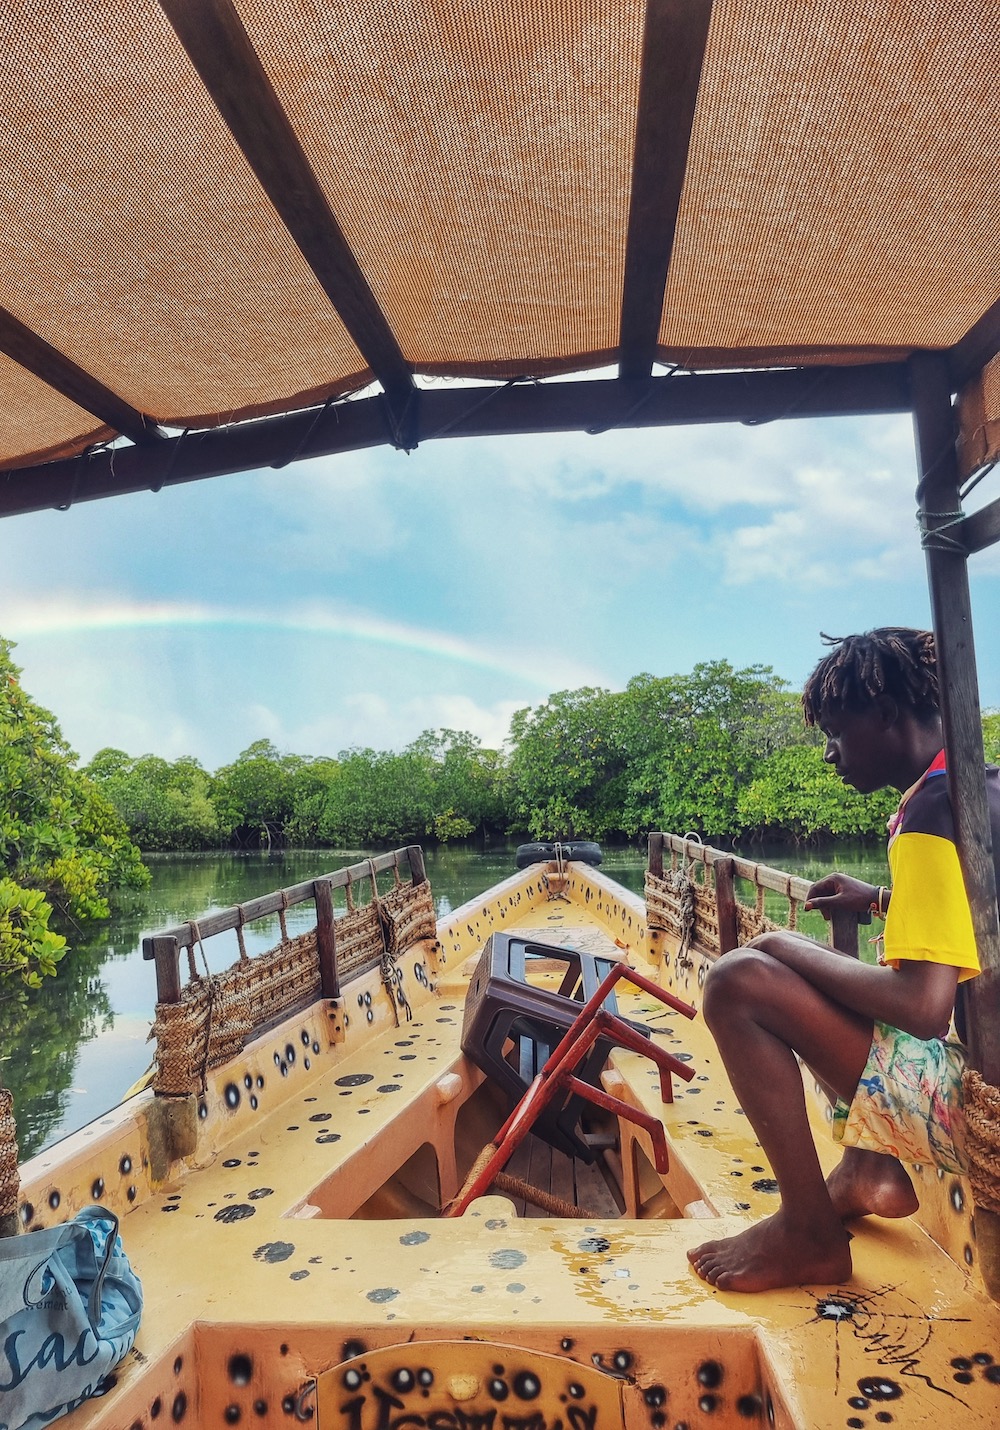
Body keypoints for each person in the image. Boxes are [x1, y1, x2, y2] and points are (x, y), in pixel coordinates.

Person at [687, 627, 1000, 1293]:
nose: (830, 754)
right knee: (821, 974)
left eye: (835, 731)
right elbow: (976, 915)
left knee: (738, 982)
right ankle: (869, 1171)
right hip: (988, 1077)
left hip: (987, 1117)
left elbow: (922, 1008)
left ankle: (807, 1234)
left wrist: (776, 945)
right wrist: (881, 900)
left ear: (884, 715)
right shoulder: (981, 791)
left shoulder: (930, 817)